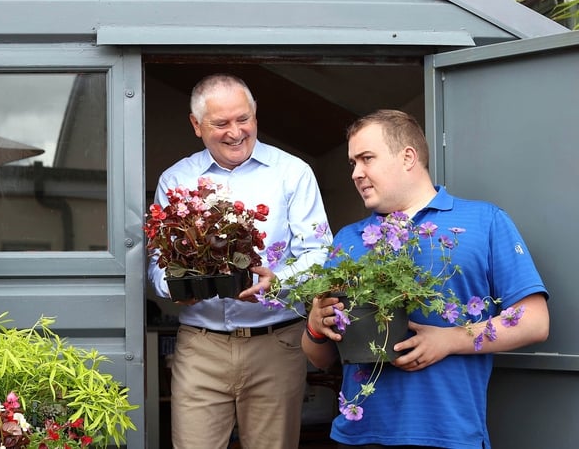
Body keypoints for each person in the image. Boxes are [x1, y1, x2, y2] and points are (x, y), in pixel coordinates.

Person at [302, 109, 549, 448]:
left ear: (408, 157)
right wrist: (316, 325)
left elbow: (535, 322)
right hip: (361, 434)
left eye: (367, 159)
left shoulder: (484, 221)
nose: (356, 173)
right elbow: (320, 358)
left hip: (449, 434)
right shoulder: (349, 239)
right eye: (352, 163)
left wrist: (449, 340)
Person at [147, 73, 331, 449]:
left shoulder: (292, 172)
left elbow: (319, 251)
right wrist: (177, 288)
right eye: (221, 123)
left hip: (277, 343)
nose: (236, 132)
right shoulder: (176, 179)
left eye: (243, 119)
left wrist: (277, 279)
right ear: (196, 125)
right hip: (201, 347)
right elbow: (157, 262)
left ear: (256, 116)